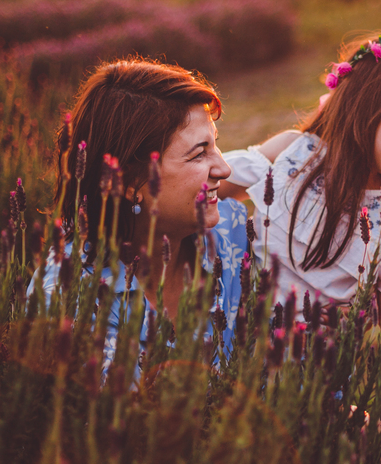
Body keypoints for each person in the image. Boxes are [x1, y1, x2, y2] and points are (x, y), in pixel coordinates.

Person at [221, 30, 381, 333]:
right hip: (234, 336)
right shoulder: (295, 154)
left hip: (308, 363)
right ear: (367, 104)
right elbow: (208, 186)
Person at [40, 59, 248, 377]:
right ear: (128, 182)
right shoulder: (74, 304)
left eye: (215, 143)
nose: (224, 168)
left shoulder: (231, 233)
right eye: (199, 153)